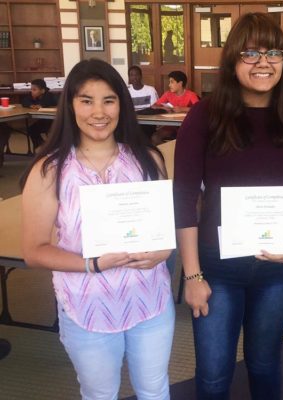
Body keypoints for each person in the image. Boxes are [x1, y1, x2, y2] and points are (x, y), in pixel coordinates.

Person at [173, 12, 283, 400]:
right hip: (216, 268)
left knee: (266, 363)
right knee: (215, 374)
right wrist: (192, 277)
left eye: (273, 52)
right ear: (233, 59)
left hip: (278, 268)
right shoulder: (205, 116)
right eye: (250, 53)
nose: (263, 62)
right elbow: (184, 197)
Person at [21, 59, 175, 400]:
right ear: (70, 105)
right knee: (99, 394)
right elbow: (34, 251)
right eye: (86, 100)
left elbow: (164, 233)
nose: (99, 111)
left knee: (154, 389)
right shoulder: (50, 171)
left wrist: (163, 250)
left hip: (149, 299)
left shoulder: (148, 159)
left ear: (121, 103)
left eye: (109, 99)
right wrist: (93, 264)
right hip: (86, 305)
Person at [151, 70, 199, 143]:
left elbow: (199, 109)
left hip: (186, 126)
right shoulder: (168, 94)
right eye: (169, 82)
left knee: (187, 140)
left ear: (180, 83)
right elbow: (153, 106)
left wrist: (183, 109)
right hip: (171, 126)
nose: (169, 85)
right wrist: (163, 108)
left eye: (172, 82)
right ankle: (166, 153)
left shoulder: (191, 94)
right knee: (155, 137)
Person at [21, 78, 58, 149]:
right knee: (31, 128)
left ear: (42, 91)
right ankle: (42, 145)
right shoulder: (32, 96)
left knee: (48, 129)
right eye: (31, 89)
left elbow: (51, 101)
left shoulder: (49, 95)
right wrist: (31, 105)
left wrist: (41, 105)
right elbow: (24, 101)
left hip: (51, 120)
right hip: (41, 120)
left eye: (34, 90)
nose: (32, 91)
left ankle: (48, 146)